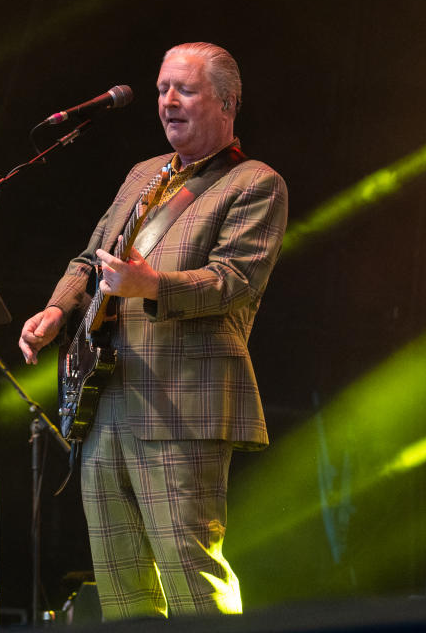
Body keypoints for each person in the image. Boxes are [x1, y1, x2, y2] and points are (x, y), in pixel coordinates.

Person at [18, 42, 288, 619]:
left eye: (184, 89)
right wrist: (56, 311)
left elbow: (234, 282)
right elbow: (91, 259)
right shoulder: (142, 173)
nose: (167, 101)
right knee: (121, 591)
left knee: (193, 578)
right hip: (104, 400)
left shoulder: (254, 183)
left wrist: (152, 286)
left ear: (227, 102)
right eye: (163, 88)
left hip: (182, 405)